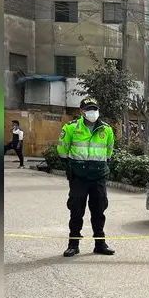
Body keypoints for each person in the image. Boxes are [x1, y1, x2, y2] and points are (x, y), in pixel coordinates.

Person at [57, 98, 116, 257]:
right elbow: (62, 149)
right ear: (82, 111)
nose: (92, 112)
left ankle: (100, 243)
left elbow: (109, 150)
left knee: (99, 210)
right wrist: (70, 166)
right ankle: (73, 244)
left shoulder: (107, 129)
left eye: (94, 109)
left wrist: (103, 166)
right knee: (76, 210)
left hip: (98, 176)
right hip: (79, 176)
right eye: (89, 109)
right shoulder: (71, 128)